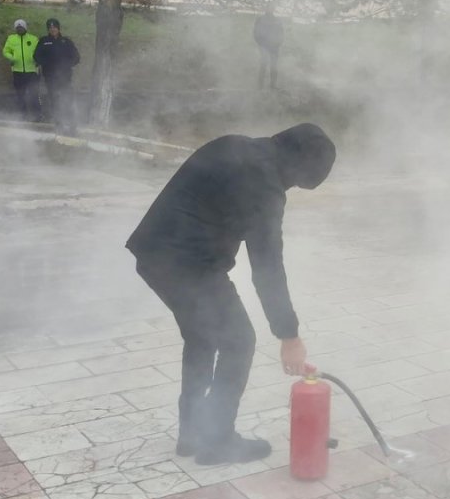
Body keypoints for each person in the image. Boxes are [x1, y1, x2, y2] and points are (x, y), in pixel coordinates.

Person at [125, 124, 336, 465]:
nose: (292, 187)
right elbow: (267, 266)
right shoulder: (265, 185)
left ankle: (192, 433)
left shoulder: (234, 145)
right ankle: (217, 440)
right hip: (189, 264)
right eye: (299, 181)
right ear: (298, 168)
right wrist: (289, 335)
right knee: (239, 341)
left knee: (201, 337)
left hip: (153, 254)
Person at [34, 18, 81, 136]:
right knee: (55, 102)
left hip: (65, 78)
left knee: (68, 101)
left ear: (58, 28)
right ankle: (59, 126)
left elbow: (76, 57)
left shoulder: (66, 41)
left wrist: (67, 64)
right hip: (50, 78)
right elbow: (36, 56)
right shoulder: (43, 41)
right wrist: (46, 63)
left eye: (54, 27)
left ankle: (72, 126)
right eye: (50, 28)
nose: (52, 29)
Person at [3, 20, 40, 121]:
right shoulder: (11, 38)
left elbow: (39, 51)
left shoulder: (33, 38)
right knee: (20, 94)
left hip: (32, 71)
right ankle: (22, 115)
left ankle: (37, 115)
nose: (19, 29)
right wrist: (11, 58)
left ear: (25, 28)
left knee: (34, 94)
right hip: (17, 71)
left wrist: (37, 60)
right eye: (18, 28)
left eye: (21, 27)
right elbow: (6, 51)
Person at [253, 6, 284, 90]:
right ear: (266, 9)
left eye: (271, 8)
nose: (270, 9)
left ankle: (273, 85)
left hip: (274, 46)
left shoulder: (277, 20)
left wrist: (279, 43)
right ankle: (260, 85)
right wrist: (260, 44)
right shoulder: (260, 19)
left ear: (273, 9)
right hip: (264, 46)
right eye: (268, 8)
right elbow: (256, 33)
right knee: (263, 64)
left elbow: (281, 33)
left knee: (274, 66)